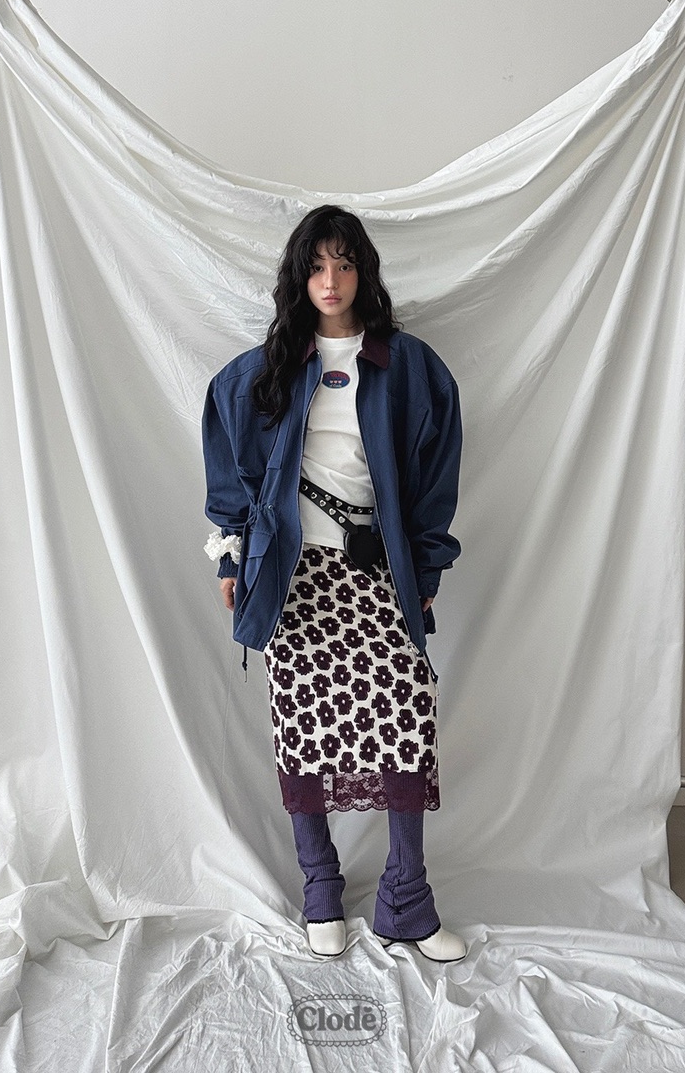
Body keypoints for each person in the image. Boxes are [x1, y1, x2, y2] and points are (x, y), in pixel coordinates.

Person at [202, 204, 464, 961]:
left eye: (344, 264)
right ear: (298, 276)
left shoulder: (407, 366)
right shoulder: (263, 371)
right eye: (316, 265)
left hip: (377, 571)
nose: (330, 279)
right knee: (303, 728)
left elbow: (435, 475)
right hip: (294, 576)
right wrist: (232, 559)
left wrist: (427, 564)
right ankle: (320, 887)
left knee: (406, 721)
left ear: (363, 273)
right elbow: (232, 476)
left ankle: (406, 899)